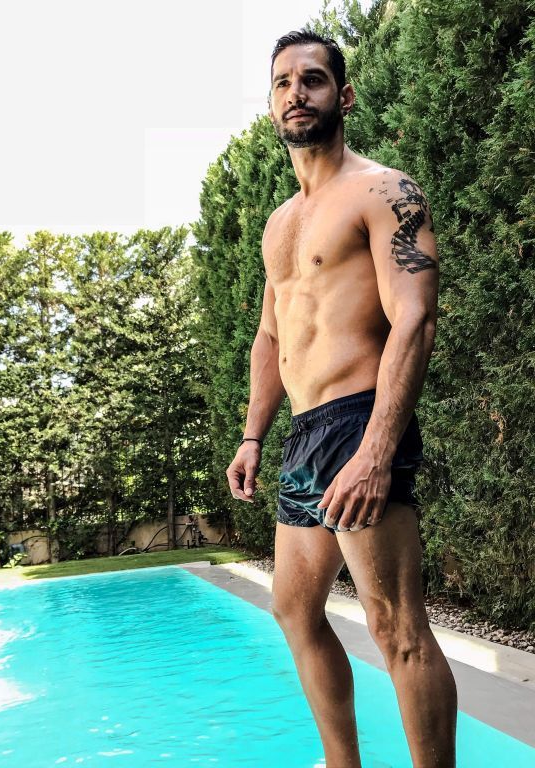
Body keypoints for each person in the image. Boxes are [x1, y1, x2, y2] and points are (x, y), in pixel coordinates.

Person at [225, 29, 457, 768]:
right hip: (304, 432)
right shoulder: (280, 223)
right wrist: (253, 435)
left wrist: (377, 451)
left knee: (396, 627)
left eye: (313, 79)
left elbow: (414, 318)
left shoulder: (384, 190)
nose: (297, 92)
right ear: (272, 105)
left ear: (344, 95)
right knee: (294, 610)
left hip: (361, 417)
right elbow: (271, 337)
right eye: (283, 83)